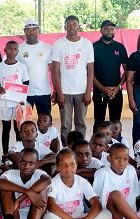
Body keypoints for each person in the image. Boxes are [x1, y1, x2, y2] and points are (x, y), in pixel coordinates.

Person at [45, 149, 108, 219]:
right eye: (63, 165)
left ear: (76, 165)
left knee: (107, 214)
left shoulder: (82, 182)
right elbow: (51, 206)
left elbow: (96, 204)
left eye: (72, 164)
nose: (68, 168)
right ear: (57, 167)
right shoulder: (53, 183)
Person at [0, 148, 51, 219]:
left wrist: (19, 200)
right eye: (23, 162)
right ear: (18, 162)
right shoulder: (10, 174)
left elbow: (47, 180)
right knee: (5, 188)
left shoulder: (39, 174)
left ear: (37, 163)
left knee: (41, 190)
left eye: (31, 163)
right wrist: (28, 192)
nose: (26, 166)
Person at [51, 15, 94, 144]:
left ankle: (80, 150)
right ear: (65, 27)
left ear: (78, 26)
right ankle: (66, 149)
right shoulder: (58, 44)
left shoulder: (86, 44)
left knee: (80, 123)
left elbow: (90, 71)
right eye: (68, 24)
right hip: (64, 92)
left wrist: (88, 92)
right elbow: (55, 71)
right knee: (65, 125)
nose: (71, 27)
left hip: (81, 91)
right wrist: (59, 93)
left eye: (74, 24)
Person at [0, 40, 30, 153]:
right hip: (5, 102)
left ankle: (19, 152)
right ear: (4, 50)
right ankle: (5, 153)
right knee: (6, 129)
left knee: (18, 128)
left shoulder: (22, 67)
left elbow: (26, 83)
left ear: (17, 51)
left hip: (18, 103)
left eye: (14, 49)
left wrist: (23, 97)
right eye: (9, 48)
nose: (12, 51)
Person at [92, 20, 128, 126]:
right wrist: (102, 88)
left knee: (115, 123)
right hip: (99, 91)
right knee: (99, 122)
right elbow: (89, 72)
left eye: (112, 29)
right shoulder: (93, 47)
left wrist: (118, 87)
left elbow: (127, 70)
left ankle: (116, 142)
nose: (109, 31)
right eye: (106, 29)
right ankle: (97, 143)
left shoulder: (120, 47)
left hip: (116, 92)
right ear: (101, 31)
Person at [18, 18, 54, 117]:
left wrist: (55, 90)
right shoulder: (19, 49)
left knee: (45, 122)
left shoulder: (47, 48)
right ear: (24, 31)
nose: (31, 32)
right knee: (22, 121)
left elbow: (53, 71)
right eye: (28, 30)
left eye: (34, 29)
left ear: (38, 30)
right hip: (25, 93)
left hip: (44, 92)